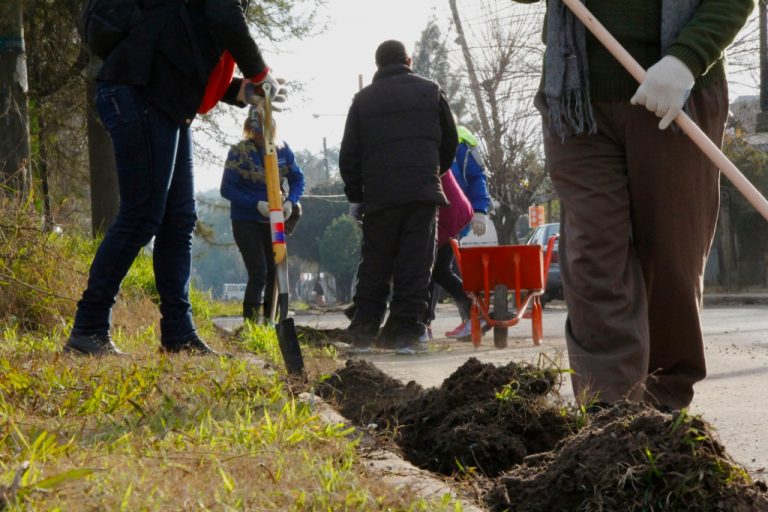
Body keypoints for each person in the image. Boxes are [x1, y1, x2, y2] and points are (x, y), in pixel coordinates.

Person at [514, 0, 754, 409]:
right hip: (578, 102)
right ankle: (611, 415)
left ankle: (663, 409)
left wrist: (686, 58)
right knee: (593, 256)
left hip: (676, 94)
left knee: (671, 256)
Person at [64, 0, 283, 356]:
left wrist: (242, 89)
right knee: (142, 215)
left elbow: (185, 43)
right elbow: (224, 16)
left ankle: (179, 334)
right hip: (138, 93)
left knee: (178, 220)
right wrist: (260, 72)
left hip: (164, 100)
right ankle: (88, 328)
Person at [340, 39, 458, 355]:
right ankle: (406, 336)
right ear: (408, 59)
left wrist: (356, 195)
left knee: (375, 265)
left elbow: (349, 154)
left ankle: (364, 334)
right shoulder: (432, 91)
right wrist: (431, 171)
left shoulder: (362, 100)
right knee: (416, 266)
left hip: (379, 197)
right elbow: (451, 141)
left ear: (377, 64)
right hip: (422, 194)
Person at [220, 106, 305, 323]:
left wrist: (290, 201)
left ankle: (270, 319)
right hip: (245, 221)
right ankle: (250, 324)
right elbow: (227, 189)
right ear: (249, 129)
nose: (260, 136)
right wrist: (255, 204)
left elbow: (297, 179)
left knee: (274, 271)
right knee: (258, 271)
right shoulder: (239, 152)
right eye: (256, 131)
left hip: (275, 220)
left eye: (264, 131)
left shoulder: (283, 149)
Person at [444, 125, 492, 339]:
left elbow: (477, 177)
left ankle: (474, 316)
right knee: (436, 269)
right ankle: (471, 317)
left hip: (453, 216)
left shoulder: (461, 144)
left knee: (437, 269)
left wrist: (480, 210)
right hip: (433, 213)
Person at [422, 170, 474, 342]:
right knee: (435, 271)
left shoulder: (417, 153)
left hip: (447, 214)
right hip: (446, 212)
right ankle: (425, 323)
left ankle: (474, 315)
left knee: (434, 271)